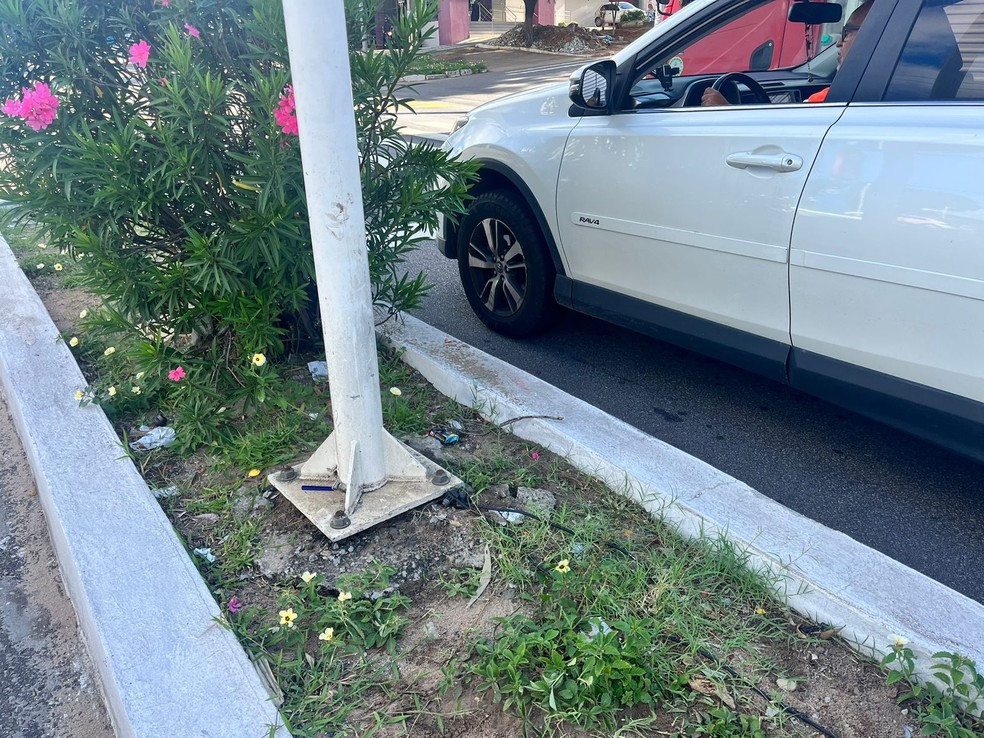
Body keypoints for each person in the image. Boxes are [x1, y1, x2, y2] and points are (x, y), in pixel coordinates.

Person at [701, 0, 873, 106]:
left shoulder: (837, 97)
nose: (838, 42)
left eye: (847, 33)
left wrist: (728, 111)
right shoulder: (878, 88)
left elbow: (787, 136)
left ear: (870, 35)